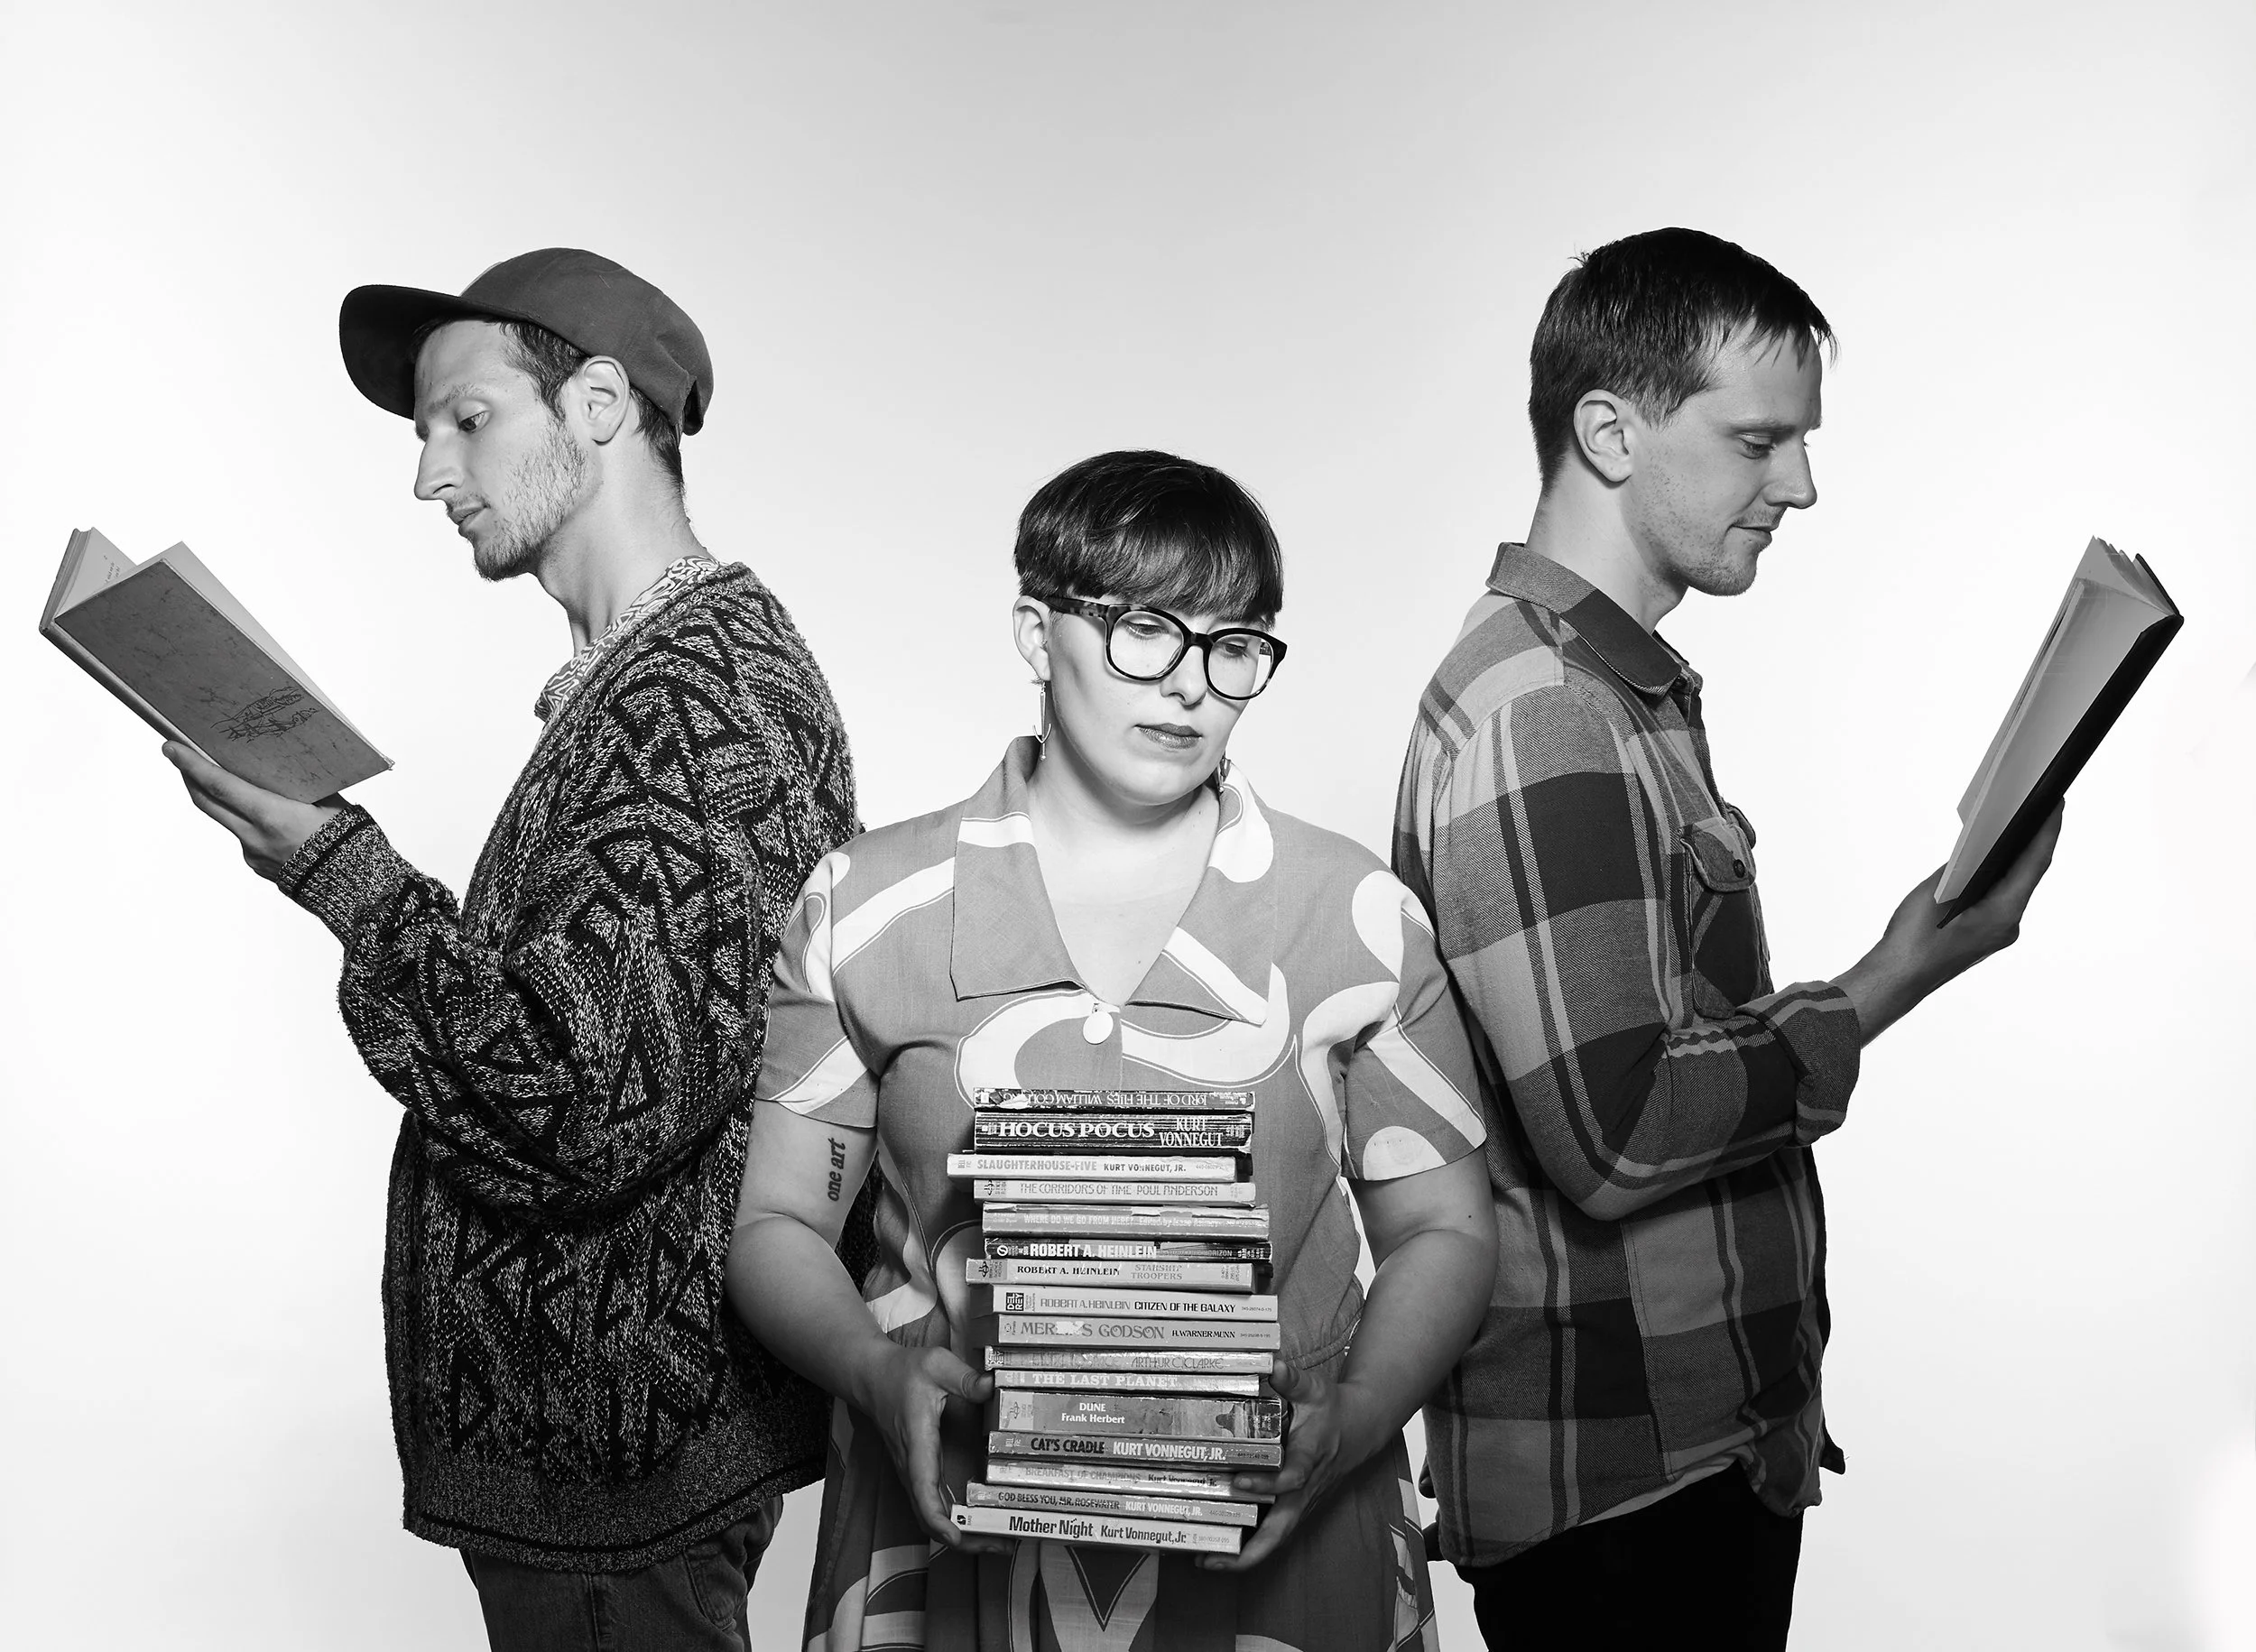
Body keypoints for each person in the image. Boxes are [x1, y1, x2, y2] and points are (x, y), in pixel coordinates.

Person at [163, 248, 859, 1651]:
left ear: (598, 405)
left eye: (467, 420)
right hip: (592, 1482)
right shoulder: (647, 684)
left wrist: (340, 869)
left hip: (622, 1491)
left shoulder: (702, 705)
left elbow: (575, 1102)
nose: (431, 474)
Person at [1393, 228, 2065, 1649]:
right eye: (1759, 441)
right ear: (1610, 434)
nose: (1801, 484)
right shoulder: (1547, 710)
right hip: (1627, 1499)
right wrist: (1897, 974)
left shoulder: (1610, 689)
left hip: (1692, 1460)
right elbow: (1620, 1131)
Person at [726, 450, 1498, 1652]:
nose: (1190, 683)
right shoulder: (868, 906)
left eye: (1233, 645)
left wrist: (1347, 1419)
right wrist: (875, 1377)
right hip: (953, 1531)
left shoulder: (1354, 913)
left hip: (1283, 1537)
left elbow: (1446, 1228)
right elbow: (776, 1221)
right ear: (1037, 634)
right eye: (1144, 629)